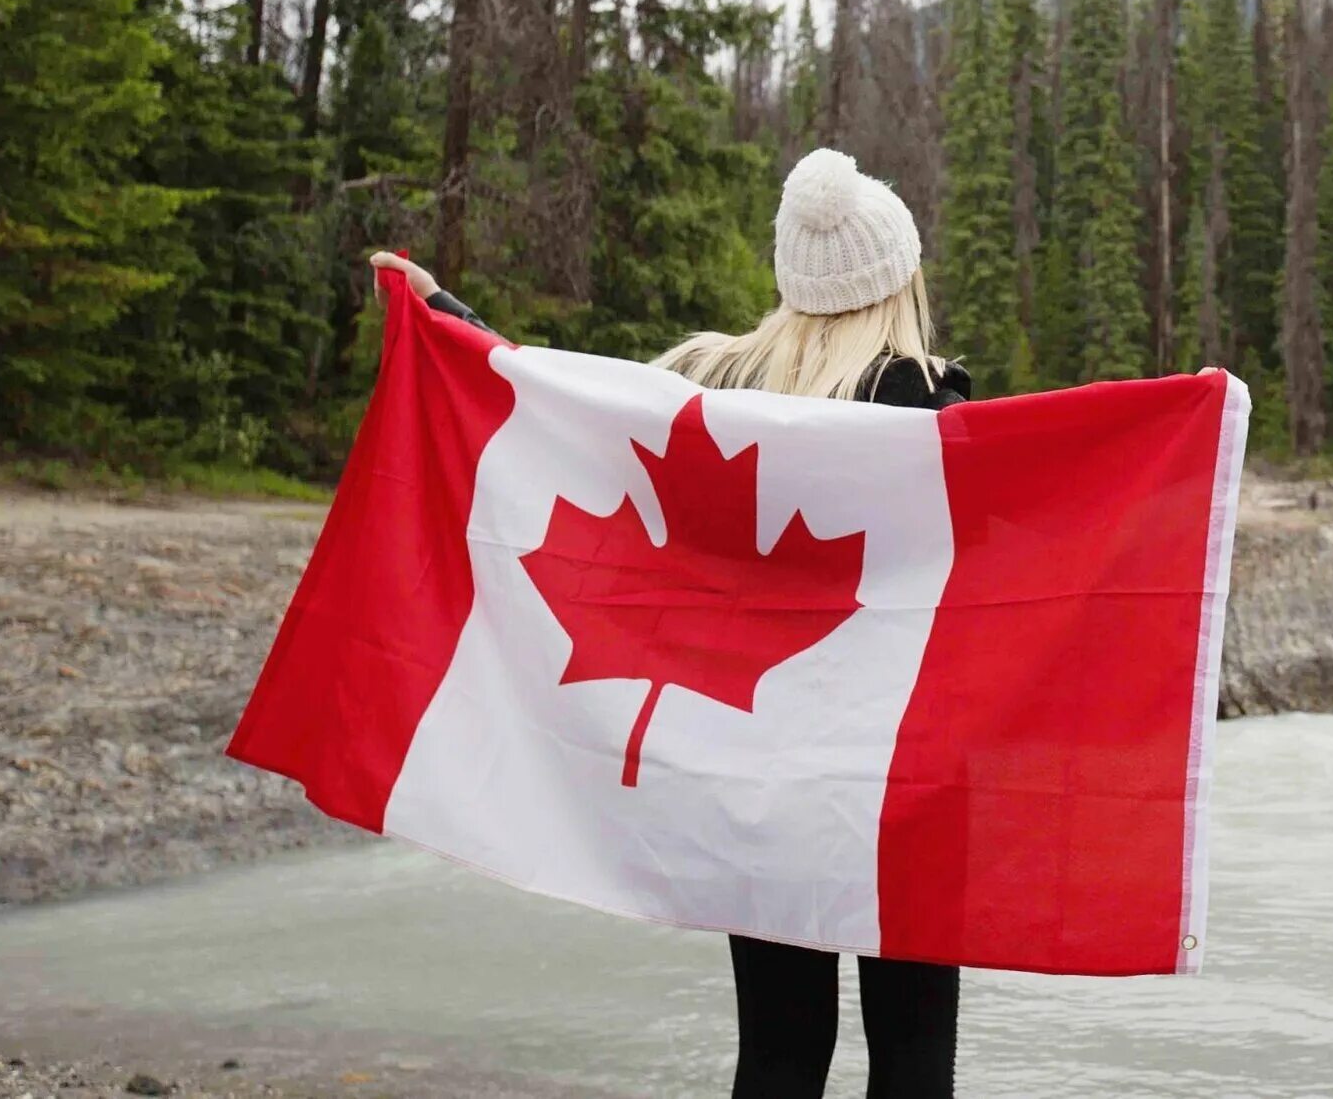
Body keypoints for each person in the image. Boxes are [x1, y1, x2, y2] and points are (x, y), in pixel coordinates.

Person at [372, 146, 967, 1099]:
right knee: (912, 1055)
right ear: (899, 280)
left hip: (760, 770)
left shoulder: (712, 381)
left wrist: (449, 317)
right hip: (902, 780)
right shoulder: (931, 403)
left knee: (779, 1051)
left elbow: (557, 411)